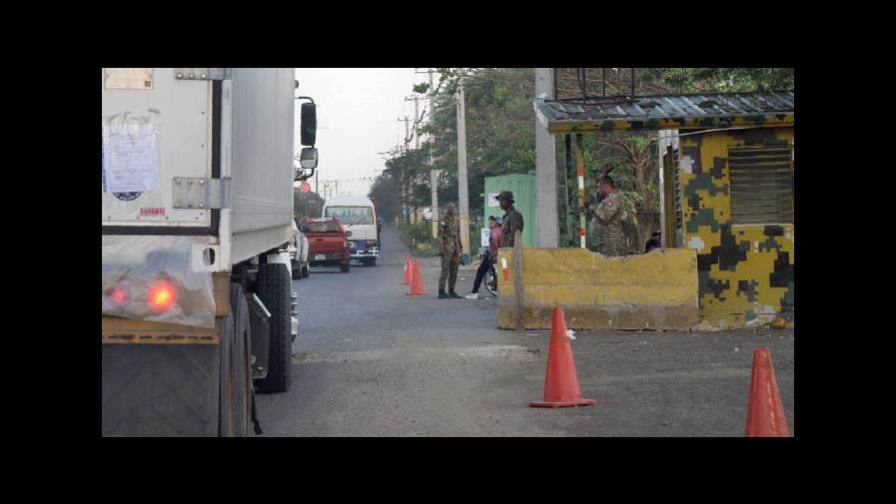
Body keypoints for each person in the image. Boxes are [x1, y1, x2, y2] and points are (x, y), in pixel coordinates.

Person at [584, 174, 626, 256]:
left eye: (599, 187)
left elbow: (605, 216)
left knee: (612, 266)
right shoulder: (606, 199)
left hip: (610, 243)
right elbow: (598, 215)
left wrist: (589, 206)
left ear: (606, 186)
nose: (598, 190)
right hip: (604, 242)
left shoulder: (613, 199)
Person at [465, 216, 503, 300]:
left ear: (496, 223)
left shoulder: (493, 232)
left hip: (491, 256)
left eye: (492, 221)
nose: (490, 223)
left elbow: (495, 245)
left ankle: (474, 293)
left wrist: (492, 256)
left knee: (480, 272)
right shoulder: (502, 231)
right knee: (502, 274)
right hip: (502, 256)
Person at [438, 202, 462, 299]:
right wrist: (441, 248)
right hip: (447, 247)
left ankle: (452, 290)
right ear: (447, 209)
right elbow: (440, 235)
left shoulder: (456, 219)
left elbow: (458, 233)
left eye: (453, 207)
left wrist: (460, 245)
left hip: (455, 247)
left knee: (454, 270)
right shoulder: (443, 219)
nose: (452, 209)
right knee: (445, 270)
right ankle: (441, 291)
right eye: (450, 208)